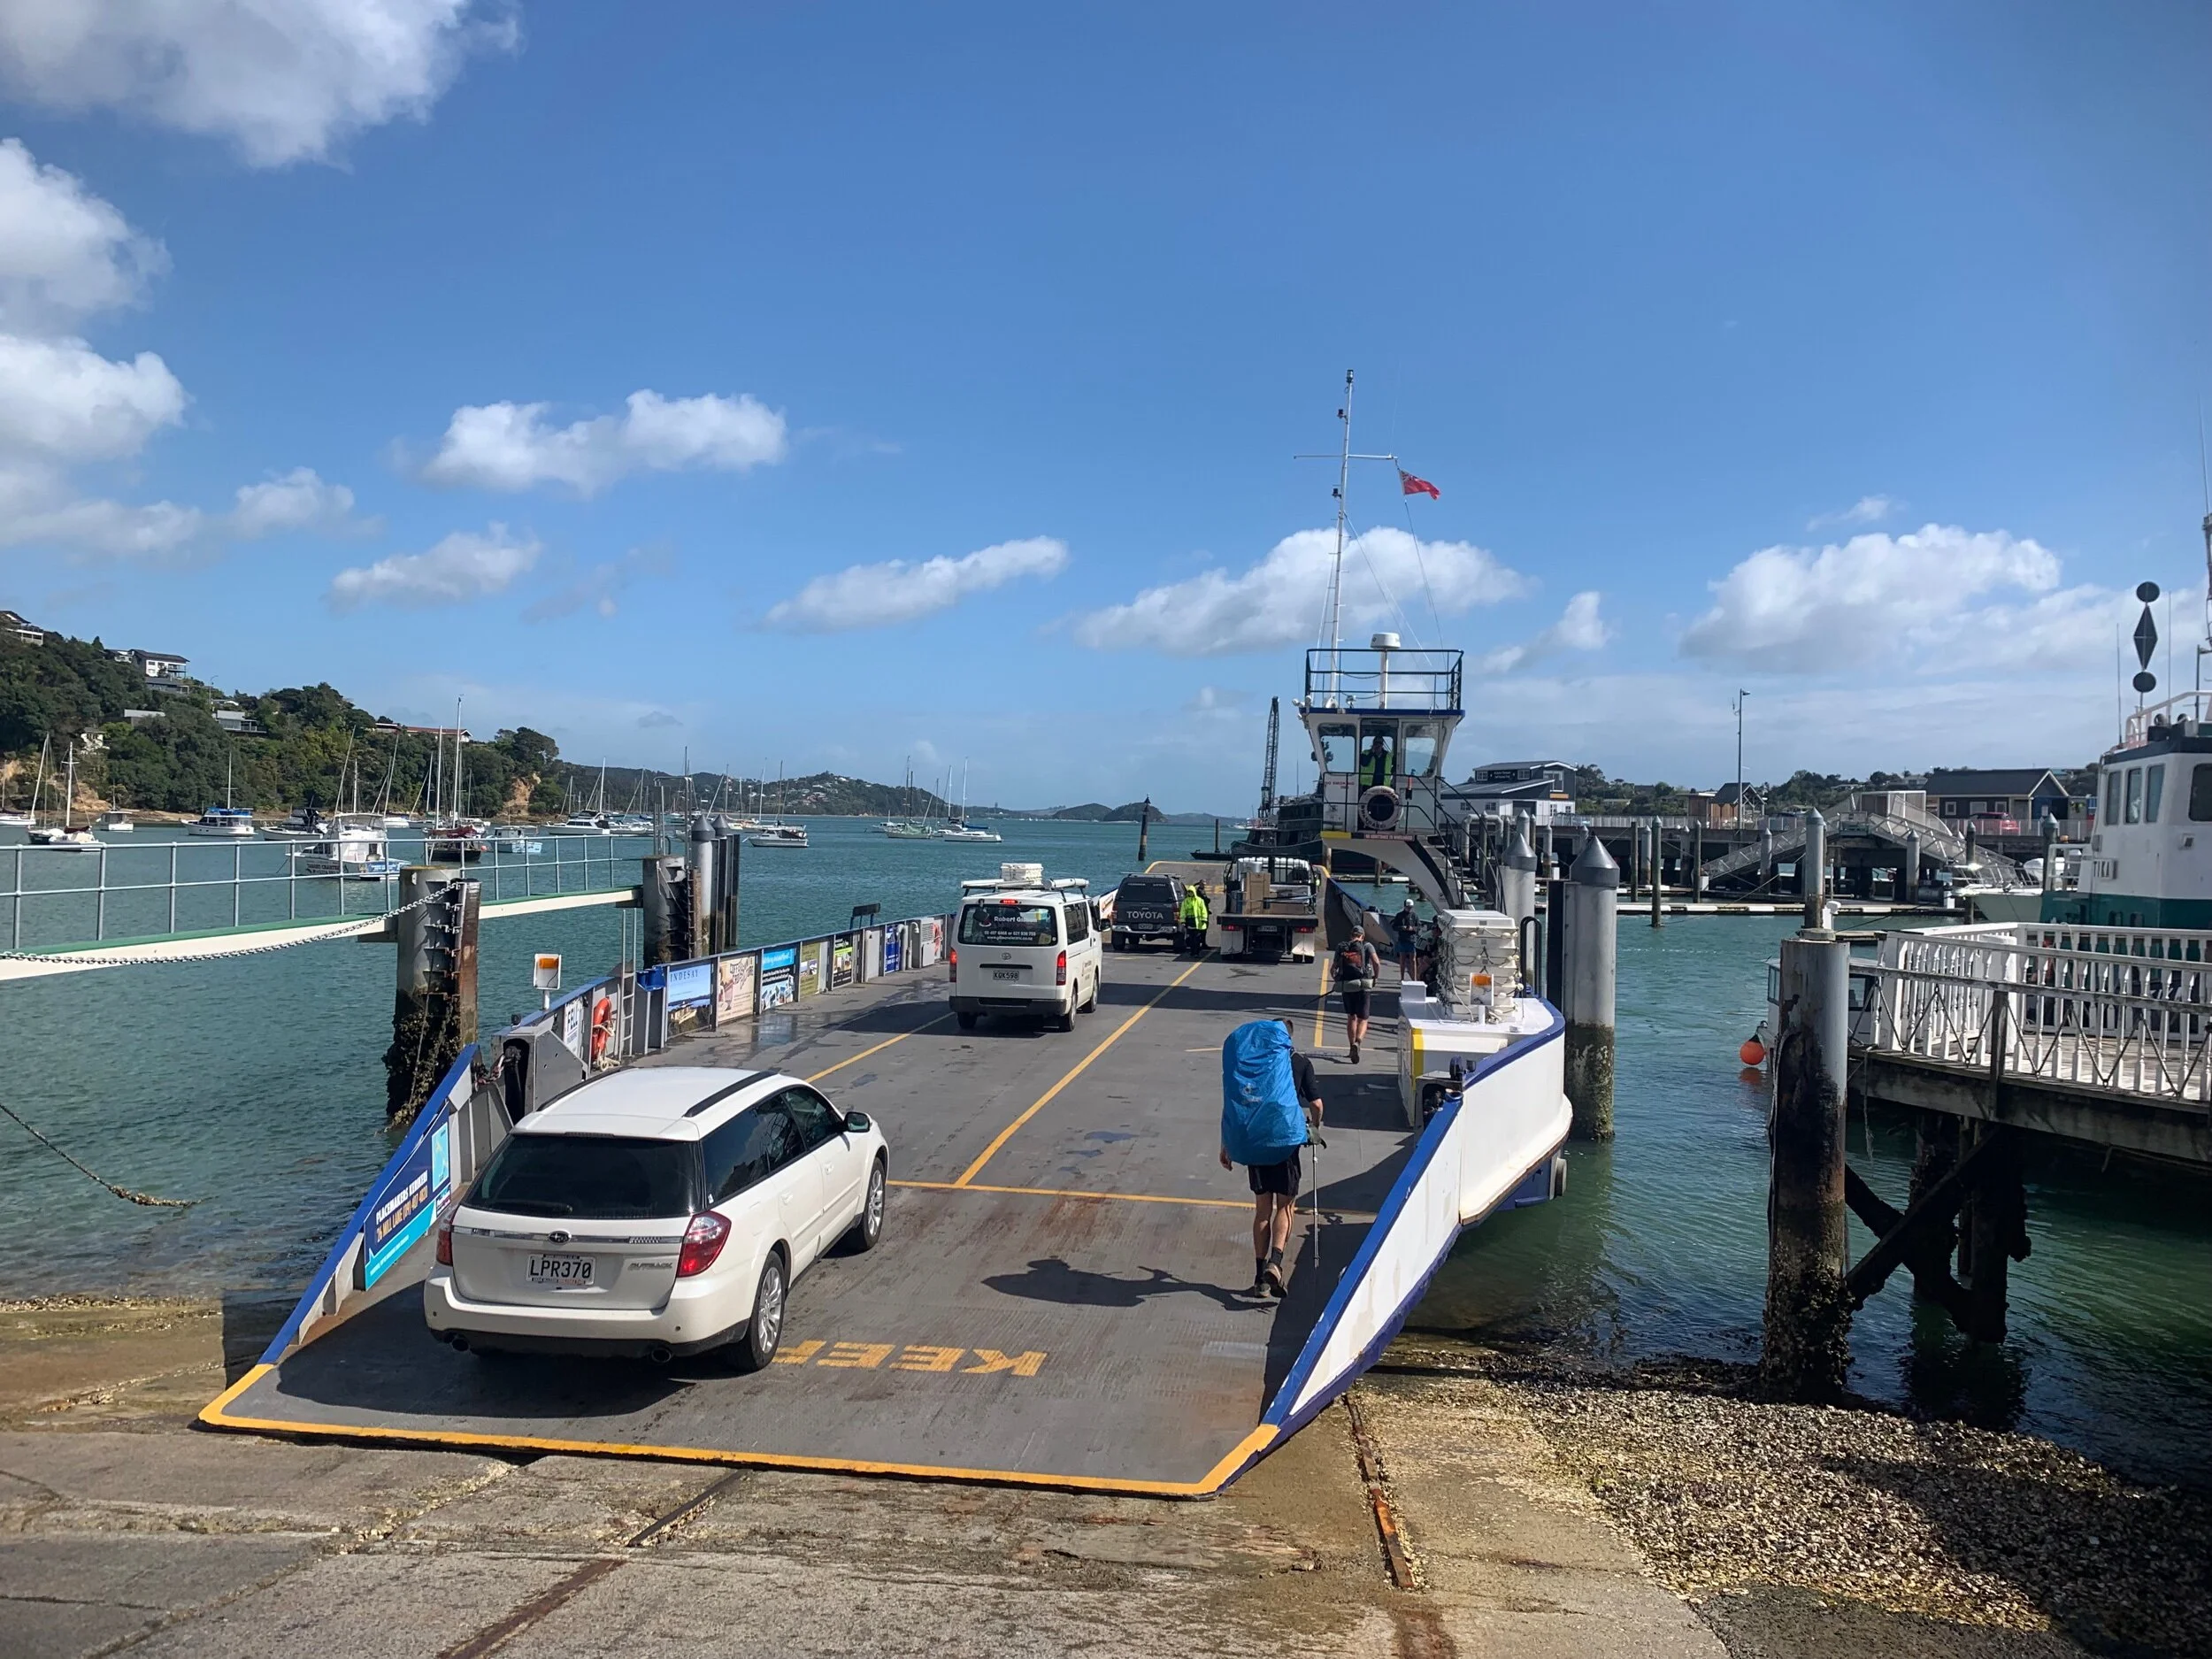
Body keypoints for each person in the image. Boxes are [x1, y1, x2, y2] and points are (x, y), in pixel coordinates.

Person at [1218, 1019, 1323, 1297]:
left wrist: (1225, 1145)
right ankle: (1275, 1265)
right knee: (1285, 1208)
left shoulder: (1255, 1064)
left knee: (1262, 1210)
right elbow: (1316, 1105)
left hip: (1254, 1143)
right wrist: (1314, 1125)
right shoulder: (1300, 1062)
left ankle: (1259, 1278)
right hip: (1285, 1145)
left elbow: (1234, 1101)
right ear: (1288, 1039)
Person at [1332, 930, 1380, 1063]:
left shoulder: (1342, 947)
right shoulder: (1367, 946)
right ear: (1362, 936)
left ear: (1351, 936)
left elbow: (1333, 969)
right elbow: (1376, 963)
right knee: (1363, 1018)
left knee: (1351, 1017)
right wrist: (1375, 978)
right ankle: (1358, 1042)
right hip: (1364, 985)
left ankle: (1350, 1048)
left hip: (1347, 985)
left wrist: (1338, 981)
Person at [1390, 898, 1422, 982]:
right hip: (1402, 940)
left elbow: (1419, 927)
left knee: (1413, 960)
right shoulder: (1399, 915)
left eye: (1411, 907)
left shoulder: (1415, 915)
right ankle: (1402, 978)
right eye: (1408, 907)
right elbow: (1394, 927)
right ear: (1405, 906)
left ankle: (1414, 979)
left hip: (1411, 940)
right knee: (1402, 959)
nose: (1409, 909)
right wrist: (1402, 928)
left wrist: (1412, 928)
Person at [1179, 881, 1210, 953]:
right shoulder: (1186, 901)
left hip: (1198, 923)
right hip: (1190, 922)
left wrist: (1204, 920)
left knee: (1197, 938)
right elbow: (1183, 912)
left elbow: (1203, 911)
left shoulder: (1199, 901)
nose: (1190, 893)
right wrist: (1183, 921)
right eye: (1189, 892)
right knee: (1191, 938)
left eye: (1191, 892)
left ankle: (1197, 952)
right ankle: (1193, 951)